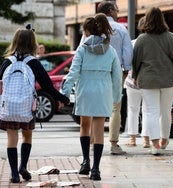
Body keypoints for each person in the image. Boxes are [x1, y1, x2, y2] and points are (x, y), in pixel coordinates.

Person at [0, 25, 70, 183]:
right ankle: (23, 166)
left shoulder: (7, 62)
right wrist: (62, 98)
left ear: (15, 42)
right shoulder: (33, 62)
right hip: (26, 106)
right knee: (27, 136)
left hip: (9, 107)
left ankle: (14, 173)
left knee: (11, 139)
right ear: (32, 43)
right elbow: (47, 85)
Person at [61, 14, 122, 181]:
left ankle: (85, 161)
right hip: (103, 92)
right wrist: (116, 96)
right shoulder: (110, 51)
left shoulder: (82, 49)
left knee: (84, 126)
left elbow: (73, 73)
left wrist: (65, 93)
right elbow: (117, 77)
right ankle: (96, 169)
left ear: (87, 31)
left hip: (85, 90)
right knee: (99, 130)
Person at [132, 7, 173, 155]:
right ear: (162, 19)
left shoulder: (142, 39)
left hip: (148, 79)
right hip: (168, 79)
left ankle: (154, 144)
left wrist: (135, 76)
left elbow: (136, 61)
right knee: (166, 112)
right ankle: (164, 140)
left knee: (152, 112)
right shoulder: (171, 37)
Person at [97, 1, 133, 155]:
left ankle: (93, 142)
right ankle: (114, 143)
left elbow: (81, 48)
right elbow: (127, 53)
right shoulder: (120, 29)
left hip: (95, 72)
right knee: (115, 108)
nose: (118, 12)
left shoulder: (92, 27)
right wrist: (126, 69)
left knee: (95, 108)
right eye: (117, 10)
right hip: (115, 71)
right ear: (110, 11)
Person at [125, 16, 150, 148]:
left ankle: (133, 139)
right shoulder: (153, 43)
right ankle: (146, 140)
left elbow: (128, 61)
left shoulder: (133, 42)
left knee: (132, 109)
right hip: (148, 81)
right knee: (147, 110)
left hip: (132, 81)